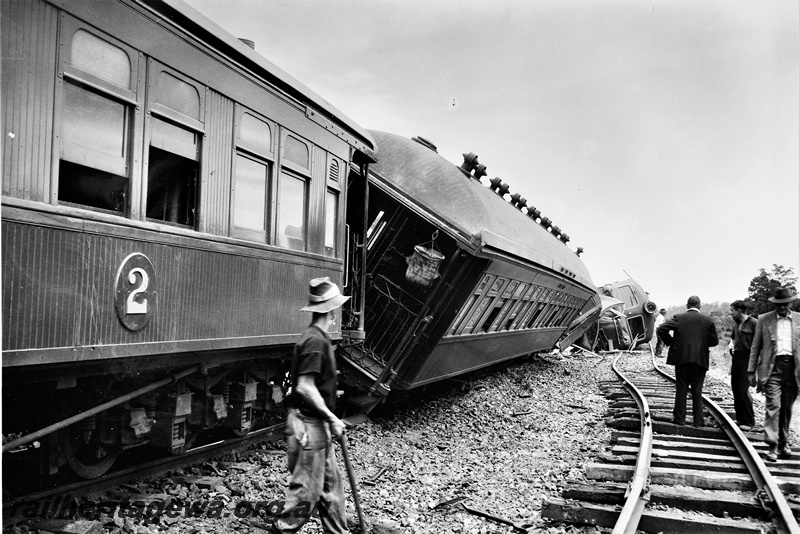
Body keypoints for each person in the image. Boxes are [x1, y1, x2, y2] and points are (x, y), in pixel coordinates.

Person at [270, 277, 350, 533]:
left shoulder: (317, 338)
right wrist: (332, 417)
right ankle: (283, 529)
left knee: (331, 491)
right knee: (306, 494)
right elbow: (305, 386)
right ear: (332, 311)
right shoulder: (315, 341)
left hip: (316, 425)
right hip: (309, 427)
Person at [748, 287, 800, 462]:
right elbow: (756, 347)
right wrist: (751, 371)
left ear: (790, 304)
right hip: (772, 369)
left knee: (786, 407)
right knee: (773, 406)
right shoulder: (764, 319)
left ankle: (784, 442)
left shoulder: (799, 319)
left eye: (785, 304)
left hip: (793, 369)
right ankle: (772, 445)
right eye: (779, 305)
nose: (782, 308)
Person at [656, 296, 719, 427]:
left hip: (682, 359)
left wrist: (672, 342)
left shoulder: (679, 318)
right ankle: (698, 421)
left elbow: (661, 329)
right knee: (697, 389)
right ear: (700, 306)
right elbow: (715, 341)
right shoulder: (708, 320)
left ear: (687, 305)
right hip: (700, 359)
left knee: (682, 388)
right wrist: (701, 344)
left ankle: (680, 419)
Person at [729, 300, 756, 431]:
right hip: (737, 358)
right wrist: (731, 343)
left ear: (739, 310)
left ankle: (749, 421)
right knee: (735, 388)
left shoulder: (754, 323)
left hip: (748, 358)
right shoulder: (736, 324)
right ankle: (740, 419)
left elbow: (760, 343)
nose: (731, 313)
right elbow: (734, 338)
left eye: (733, 311)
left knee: (742, 389)